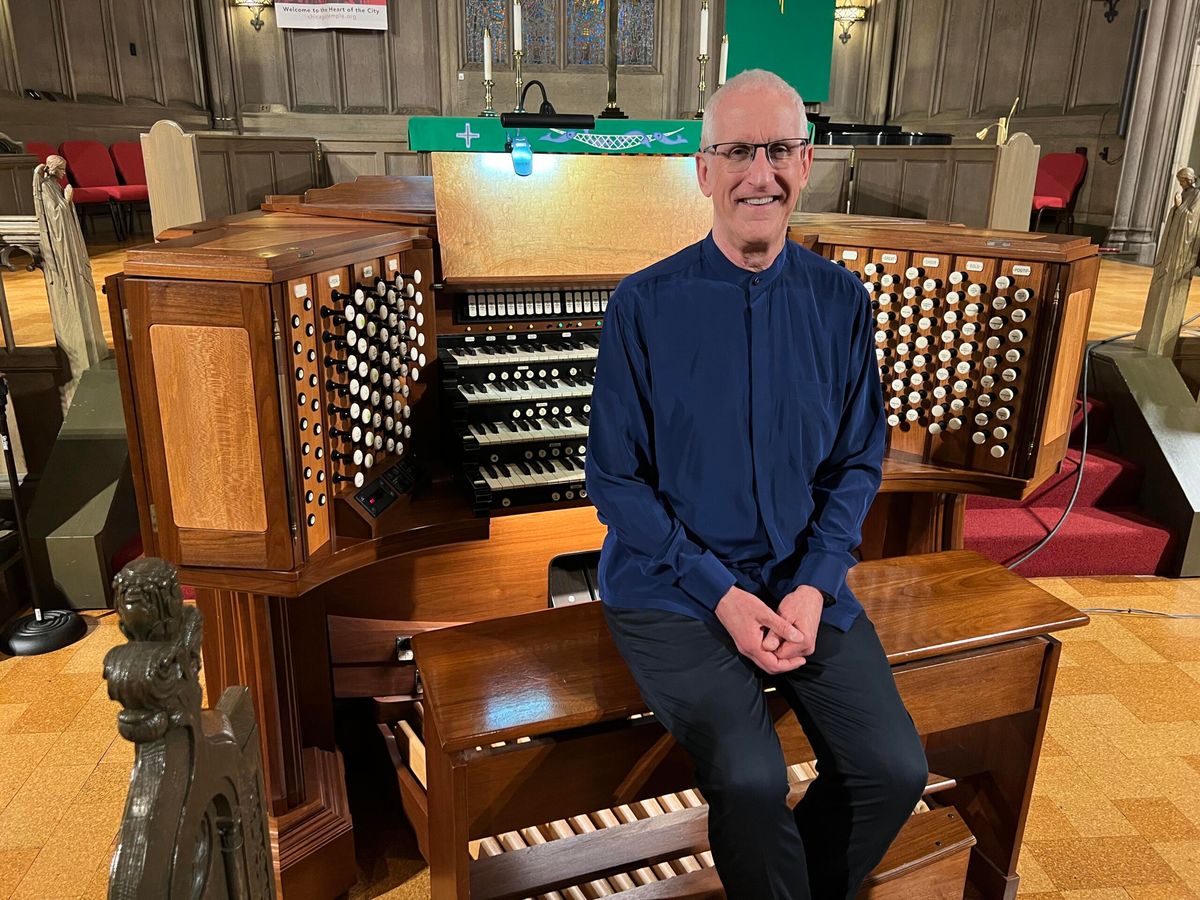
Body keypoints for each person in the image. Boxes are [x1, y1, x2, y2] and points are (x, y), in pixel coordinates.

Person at [584, 69, 928, 899]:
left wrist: (813, 585)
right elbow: (614, 482)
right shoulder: (643, 305)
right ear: (704, 171)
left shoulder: (841, 301)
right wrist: (724, 596)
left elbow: (857, 459)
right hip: (673, 586)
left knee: (893, 769)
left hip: (799, 580)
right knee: (748, 779)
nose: (759, 173)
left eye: (777, 150)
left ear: (806, 163)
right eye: (737, 151)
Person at [1135, 166, 1200, 356]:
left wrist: (1179, 208)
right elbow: (1180, 214)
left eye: (1183, 181)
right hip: (1170, 253)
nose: (1181, 184)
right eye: (1180, 181)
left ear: (1190, 180)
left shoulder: (1196, 195)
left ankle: (1161, 343)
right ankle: (1148, 337)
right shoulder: (1186, 194)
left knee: (1170, 295)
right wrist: (1177, 208)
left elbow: (1192, 221)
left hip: (1180, 255)